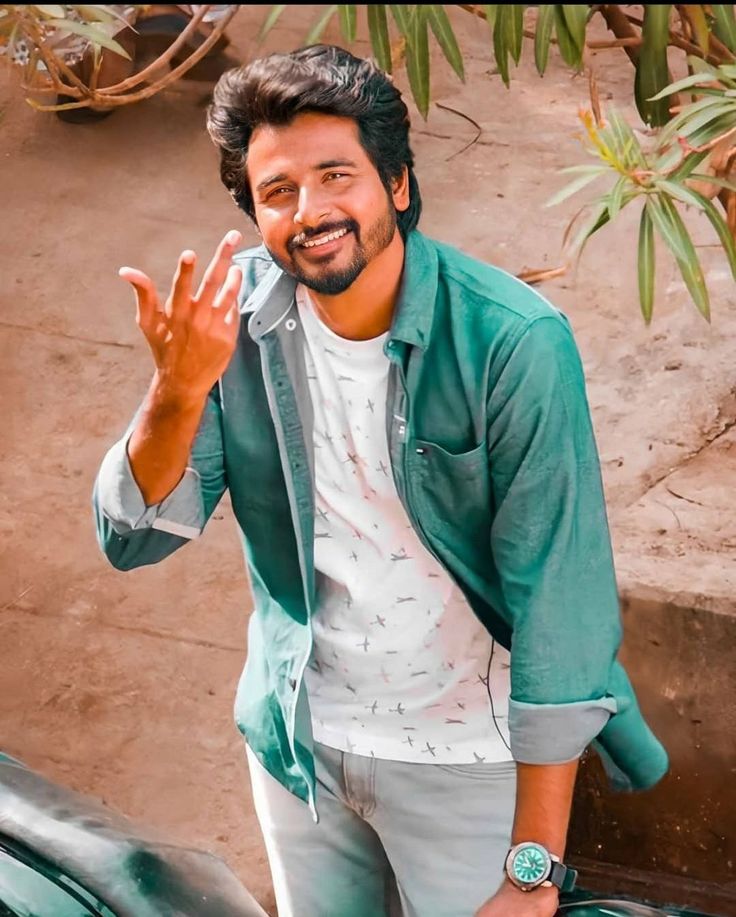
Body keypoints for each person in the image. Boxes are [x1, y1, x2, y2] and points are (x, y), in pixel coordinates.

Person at [93, 44, 668, 917]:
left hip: (466, 758)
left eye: (336, 176)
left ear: (397, 184)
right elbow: (130, 539)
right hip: (299, 749)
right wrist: (176, 392)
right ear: (253, 211)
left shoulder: (513, 344)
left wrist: (533, 870)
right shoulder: (234, 324)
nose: (311, 210)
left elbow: (562, 607)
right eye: (278, 191)